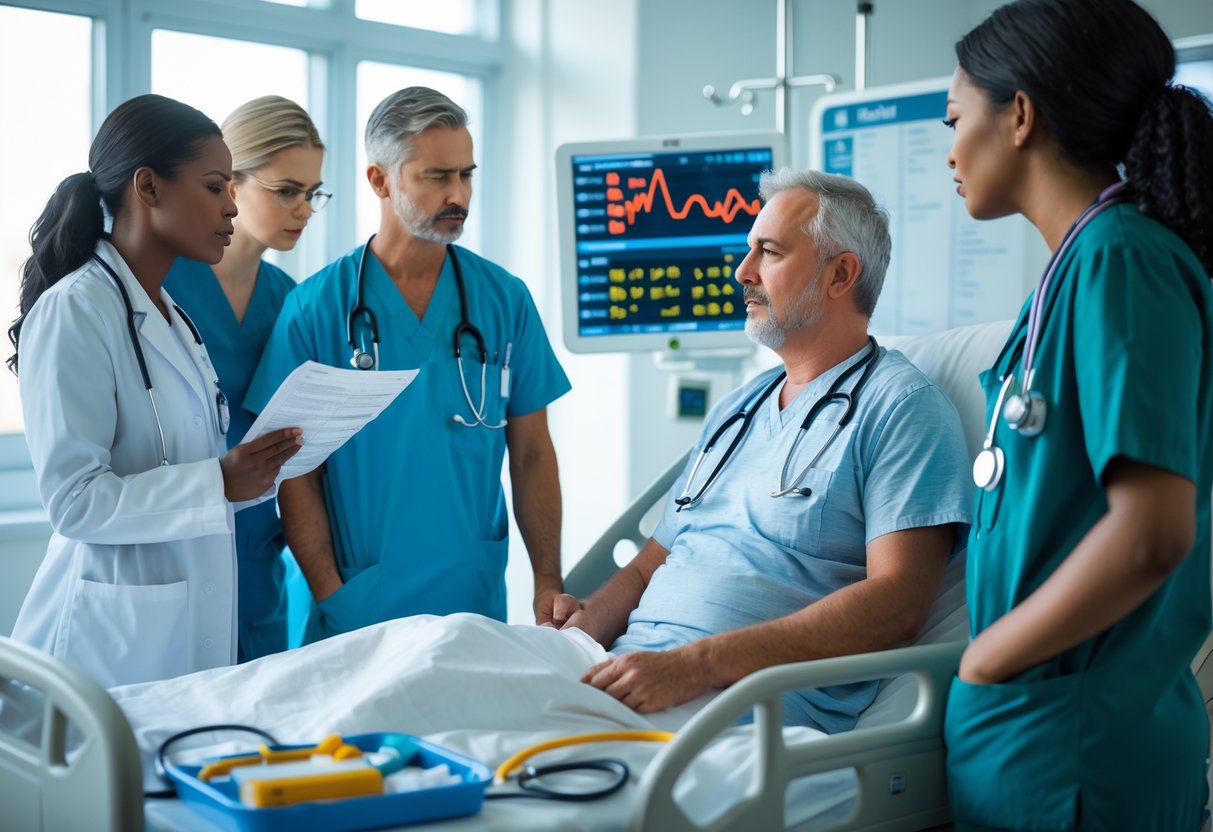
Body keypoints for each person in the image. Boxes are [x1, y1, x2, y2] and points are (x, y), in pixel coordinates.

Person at [548, 168, 973, 730]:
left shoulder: (901, 408)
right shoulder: (737, 411)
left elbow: (898, 604)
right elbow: (650, 567)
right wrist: (572, 639)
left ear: (841, 274)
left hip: (734, 706)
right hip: (623, 672)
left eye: (768, 253)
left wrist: (693, 666)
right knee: (430, 650)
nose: (742, 272)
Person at [940, 1, 1213, 828]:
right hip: (1036, 733)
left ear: (1017, 114)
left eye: (954, 119)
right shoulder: (1072, 273)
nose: (948, 151)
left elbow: (1150, 534)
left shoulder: (1120, 259)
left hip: (1075, 742)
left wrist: (987, 661)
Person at [246, 87, 570, 644]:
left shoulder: (503, 300)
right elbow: (295, 473)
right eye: (437, 176)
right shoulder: (317, 308)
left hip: (471, 600)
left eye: (466, 175)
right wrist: (330, 592)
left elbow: (533, 452)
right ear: (380, 180)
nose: (458, 195)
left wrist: (548, 581)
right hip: (356, 603)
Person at [6, 94, 303, 689]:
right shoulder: (76, 309)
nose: (231, 206)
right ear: (149, 188)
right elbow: (74, 502)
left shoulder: (172, 317)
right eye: (215, 187)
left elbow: (182, 466)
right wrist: (220, 479)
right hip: (105, 642)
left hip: (179, 629)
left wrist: (250, 475)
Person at [164, 96, 327, 661]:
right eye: (286, 191)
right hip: (174, 543)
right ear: (228, 181)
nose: (303, 209)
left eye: (312, 194)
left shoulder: (292, 302)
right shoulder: (163, 285)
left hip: (259, 556)